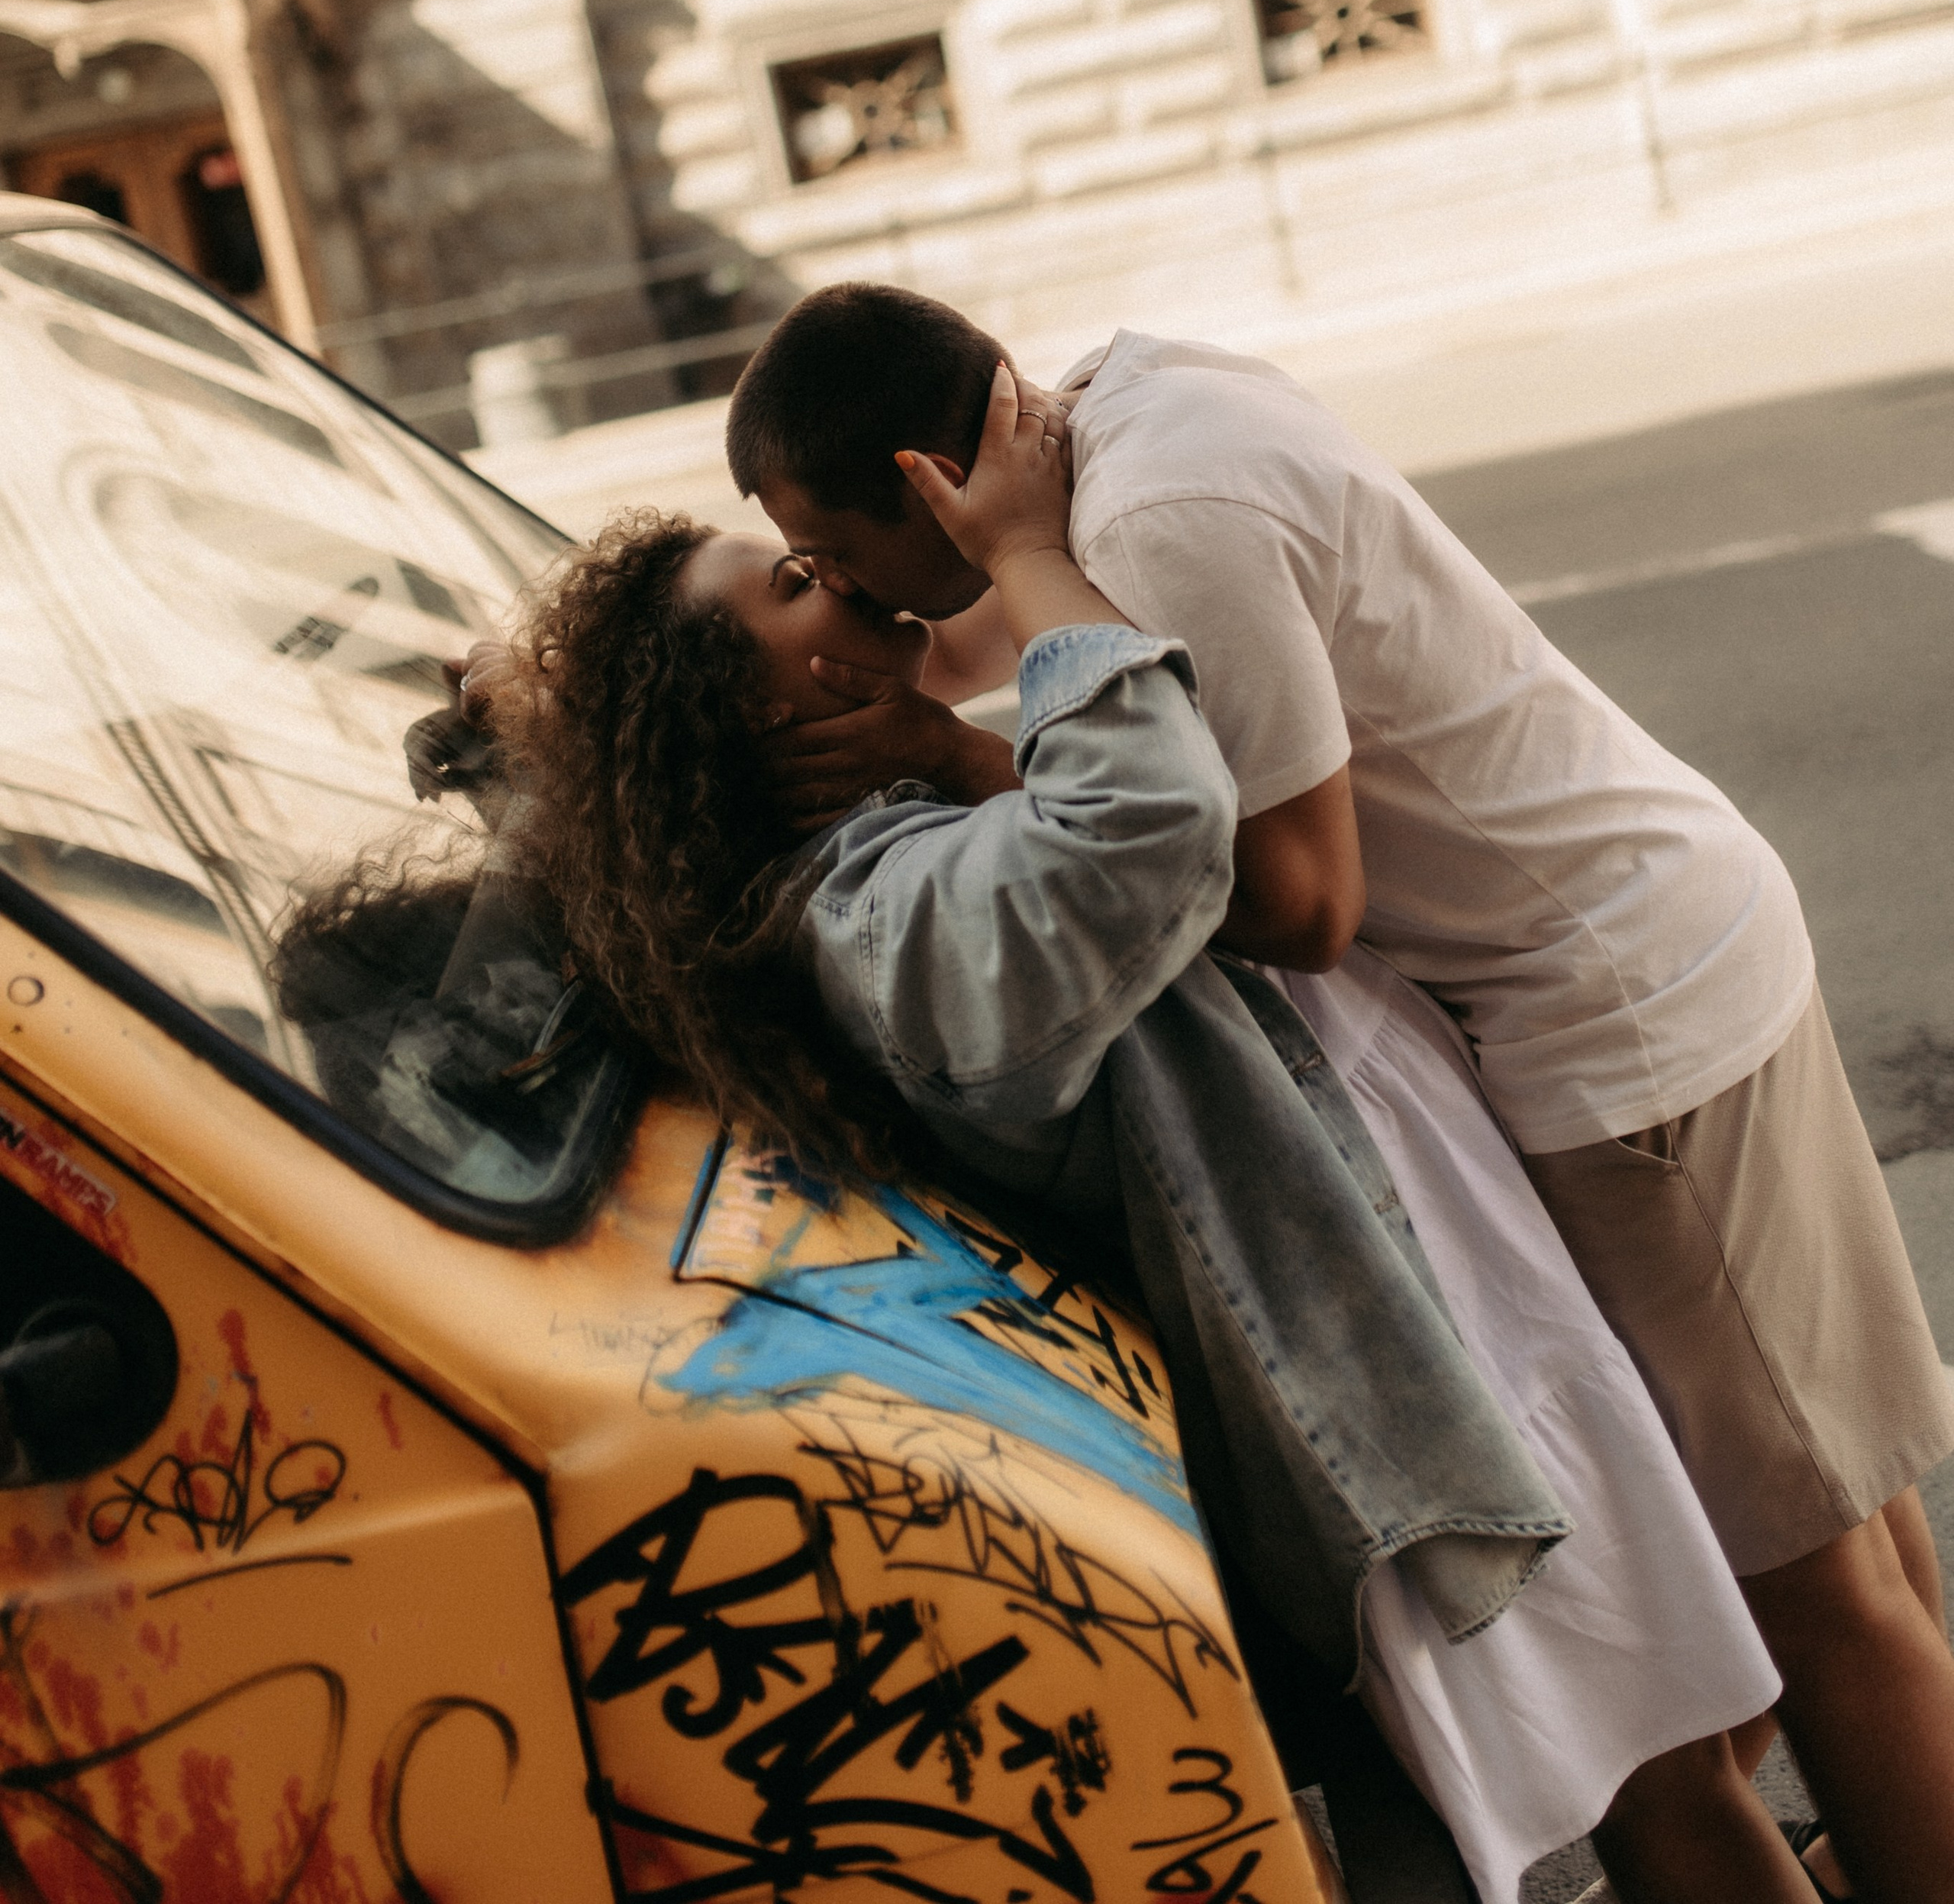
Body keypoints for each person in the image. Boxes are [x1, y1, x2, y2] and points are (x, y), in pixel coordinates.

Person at [725, 284, 1954, 1904]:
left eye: (828, 552)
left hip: (1611, 1033)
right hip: (1667, 926)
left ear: (926, 482)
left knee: (1812, 1586)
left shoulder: (1161, 522)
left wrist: (971, 772)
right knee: (1843, 1509)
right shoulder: (1124, 401)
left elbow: (1296, 896)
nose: (851, 596)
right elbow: (975, 628)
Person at [492, 368, 1781, 1904]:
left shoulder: (885, 838)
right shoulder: (871, 918)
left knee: (1693, 1736)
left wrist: (940, 740)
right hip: (1385, 1348)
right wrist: (1033, 560)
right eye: (787, 584)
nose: (830, 574)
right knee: (1659, 1784)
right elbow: (1143, 823)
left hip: (1427, 1285)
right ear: (755, 707)